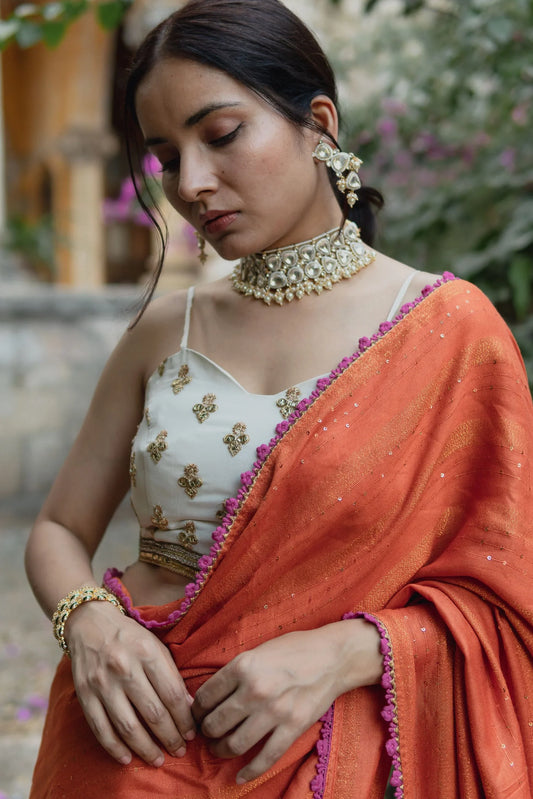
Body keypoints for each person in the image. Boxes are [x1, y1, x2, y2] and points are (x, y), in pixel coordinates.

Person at [26, 0, 533, 796]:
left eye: (221, 135)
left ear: (317, 122)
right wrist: (88, 622)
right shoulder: (167, 329)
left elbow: (506, 590)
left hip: (330, 753)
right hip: (126, 744)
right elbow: (58, 526)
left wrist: (346, 649)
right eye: (164, 157)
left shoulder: (445, 330)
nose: (190, 183)